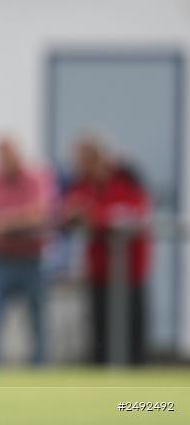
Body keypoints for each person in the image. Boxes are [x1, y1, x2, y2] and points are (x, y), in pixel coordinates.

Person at [61, 136, 150, 365]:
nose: (79, 166)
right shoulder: (82, 184)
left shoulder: (127, 179)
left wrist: (94, 217)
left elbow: (134, 216)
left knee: (132, 328)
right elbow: (67, 214)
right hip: (99, 269)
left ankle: (136, 384)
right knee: (100, 327)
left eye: (84, 160)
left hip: (130, 270)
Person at [0, 136, 51, 365]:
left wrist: (1, 223)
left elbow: (38, 215)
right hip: (0, 260)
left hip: (31, 259)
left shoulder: (35, 178)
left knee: (37, 321)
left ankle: (40, 368)